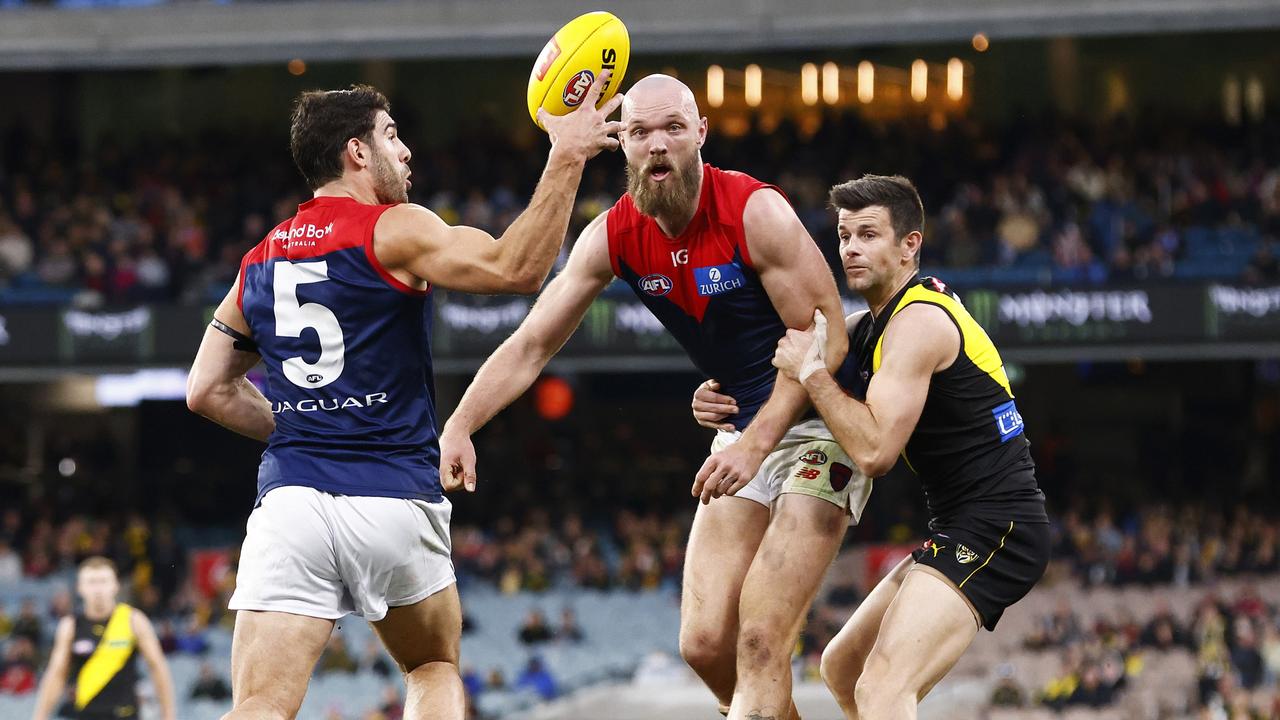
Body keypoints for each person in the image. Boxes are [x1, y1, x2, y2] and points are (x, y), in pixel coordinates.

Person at [185, 77, 622, 720]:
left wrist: (302, 429)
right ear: (357, 153)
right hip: (393, 496)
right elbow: (517, 268)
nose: (407, 151)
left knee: (260, 705)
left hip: (292, 505)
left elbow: (206, 390)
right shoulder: (392, 228)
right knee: (432, 666)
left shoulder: (259, 260)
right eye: (392, 135)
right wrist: (567, 155)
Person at [438, 74, 868, 719]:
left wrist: (754, 441)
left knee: (758, 638)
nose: (657, 144)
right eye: (639, 131)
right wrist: (460, 425)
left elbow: (828, 339)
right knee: (701, 645)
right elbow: (530, 344)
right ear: (622, 145)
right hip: (742, 429)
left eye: (672, 128)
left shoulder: (755, 212)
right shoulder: (613, 234)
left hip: (818, 420)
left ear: (700, 134)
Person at [699, 174, 1050, 718]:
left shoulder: (919, 323)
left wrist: (813, 373)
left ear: (910, 244)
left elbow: (874, 453)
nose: (851, 249)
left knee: (882, 688)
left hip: (999, 527)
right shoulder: (870, 327)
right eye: (843, 236)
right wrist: (715, 400)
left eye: (869, 234)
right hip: (958, 525)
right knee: (844, 668)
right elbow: (774, 377)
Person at [31, 556, 176, 720]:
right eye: (92, 582)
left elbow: (158, 669)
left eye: (104, 581)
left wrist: (169, 716)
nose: (98, 589)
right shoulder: (70, 626)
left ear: (115, 585)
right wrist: (39, 717)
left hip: (126, 715)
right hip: (86, 715)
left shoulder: (133, 620)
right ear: (80, 587)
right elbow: (56, 675)